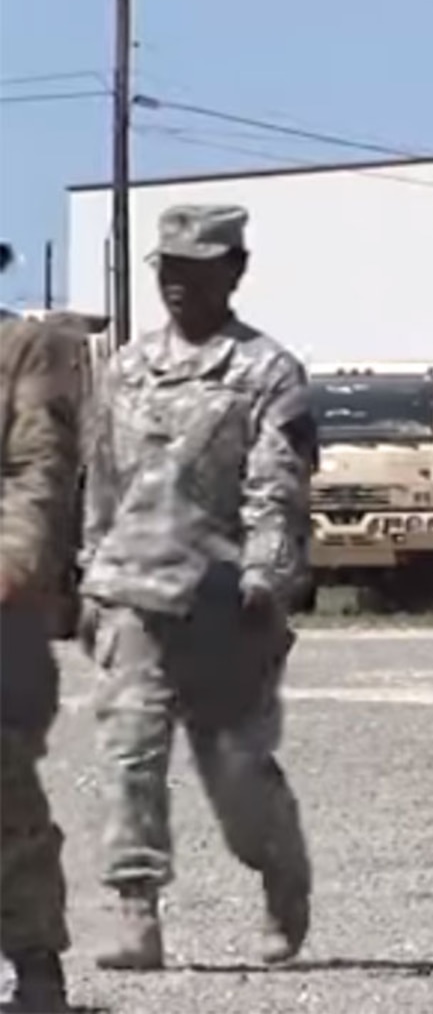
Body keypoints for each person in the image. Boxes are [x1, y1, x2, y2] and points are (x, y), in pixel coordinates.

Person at [79, 204, 317, 971]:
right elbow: (102, 483)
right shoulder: (125, 368)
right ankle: (134, 910)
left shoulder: (267, 373)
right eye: (167, 270)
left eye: (196, 269)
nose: (177, 284)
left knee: (236, 773)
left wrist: (266, 576)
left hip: (223, 599)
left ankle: (281, 873)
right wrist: (89, 572)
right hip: (131, 590)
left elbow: (276, 488)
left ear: (235, 271)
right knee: (129, 754)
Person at [0, 245, 81, 1013]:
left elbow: (39, 473)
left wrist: (13, 564)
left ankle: (35, 963)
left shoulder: (24, 351)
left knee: (3, 788)